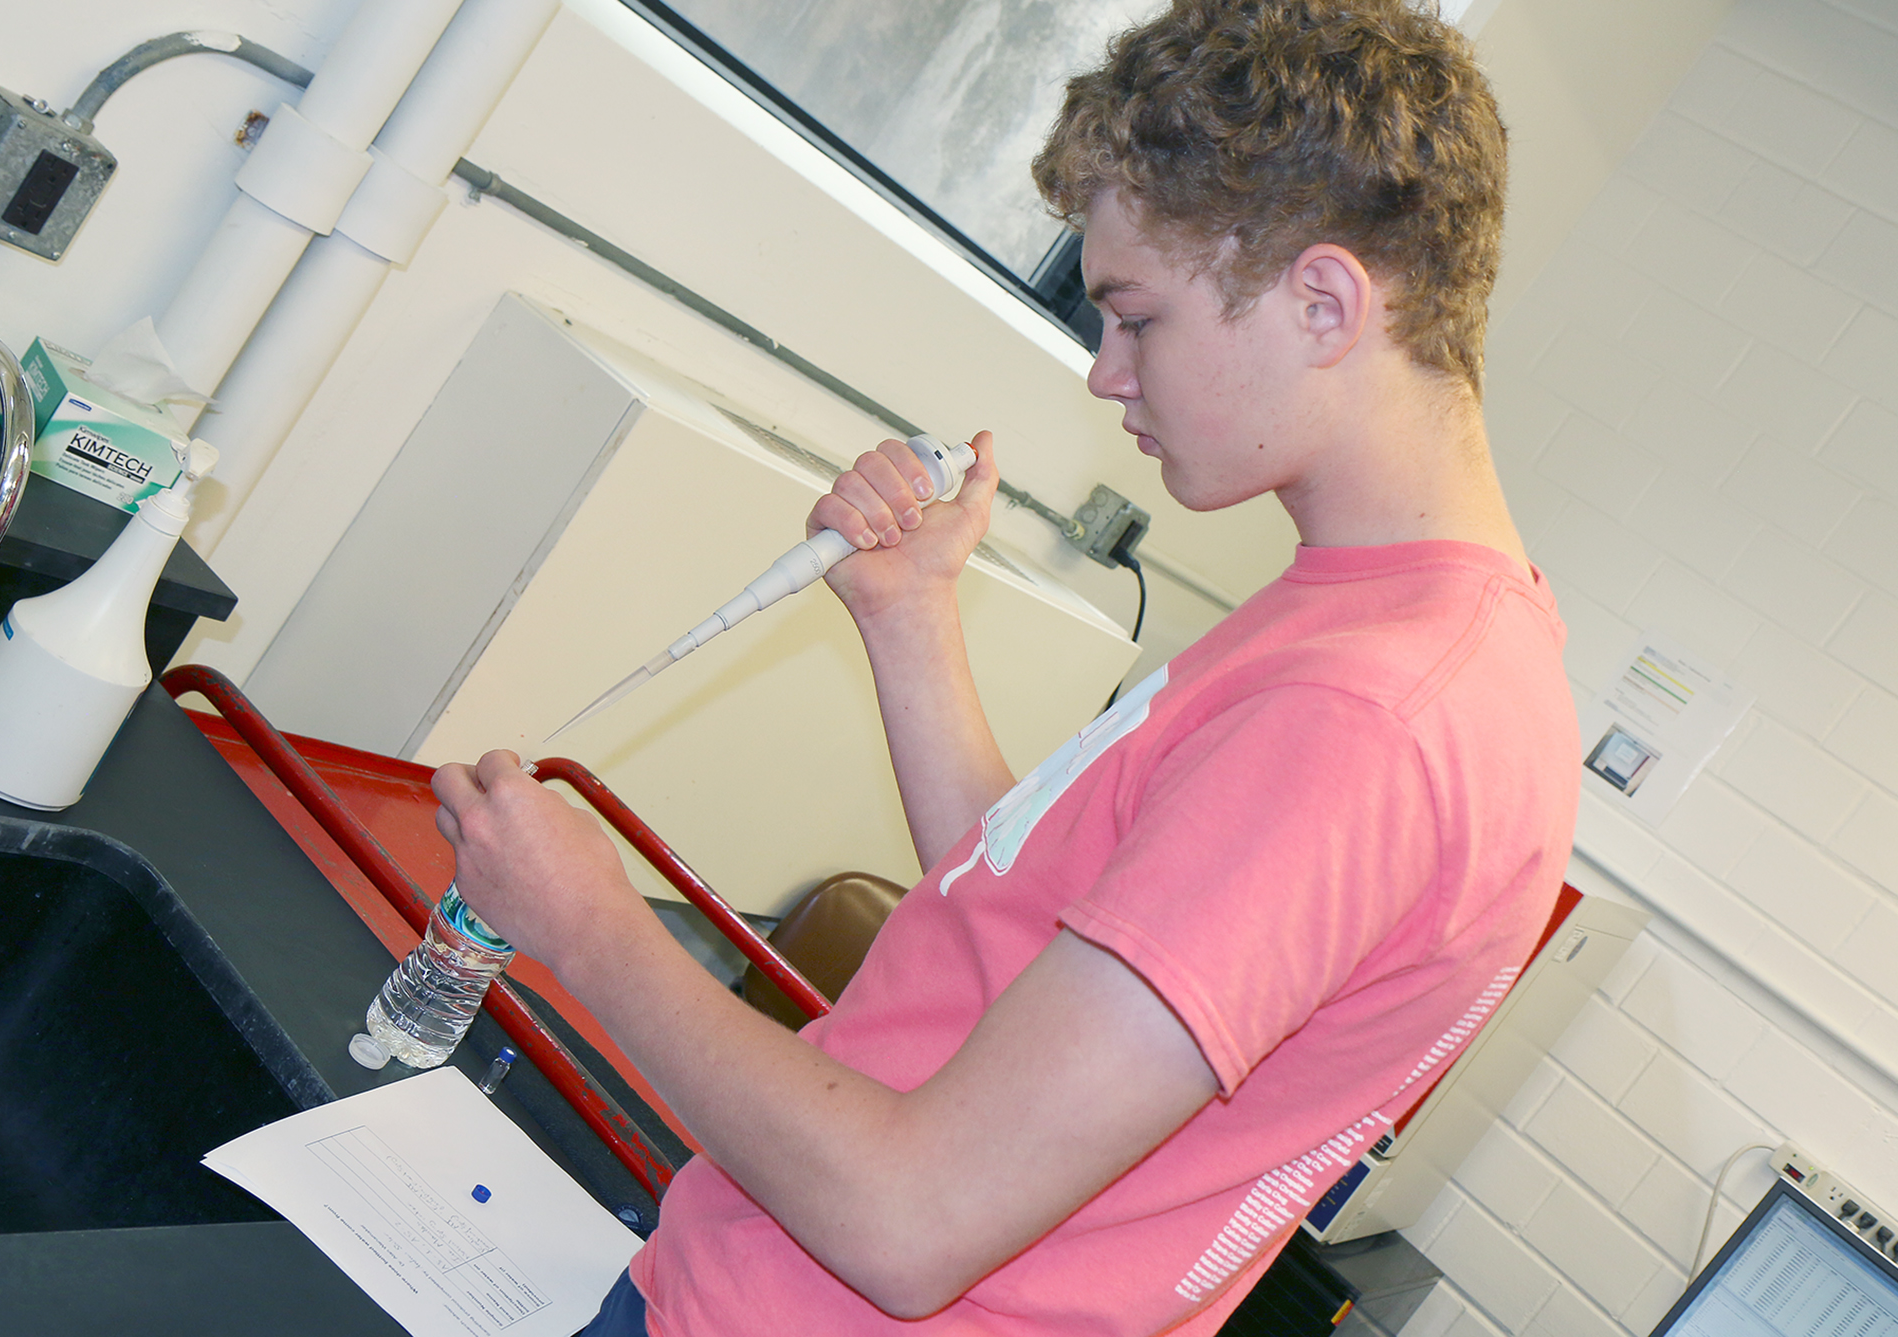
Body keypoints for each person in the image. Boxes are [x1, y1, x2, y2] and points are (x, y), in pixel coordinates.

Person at [430, 1, 1582, 1332]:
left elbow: (909, 1220)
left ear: (1324, 301)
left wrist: (589, 926)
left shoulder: (1370, 715)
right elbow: (1037, 915)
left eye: (1137, 318)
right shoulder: (1402, 633)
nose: (1108, 374)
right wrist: (911, 615)